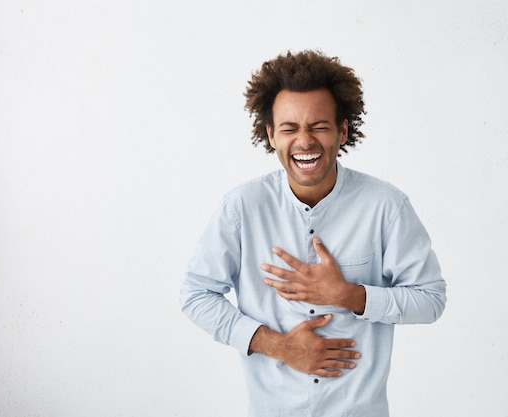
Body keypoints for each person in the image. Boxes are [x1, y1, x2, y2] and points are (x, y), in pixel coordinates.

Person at [180, 49, 446, 417]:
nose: (304, 141)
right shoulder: (241, 207)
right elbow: (196, 294)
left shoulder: (386, 206)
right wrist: (275, 344)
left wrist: (350, 295)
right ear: (271, 135)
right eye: (289, 128)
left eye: (319, 126)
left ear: (342, 130)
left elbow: (431, 299)